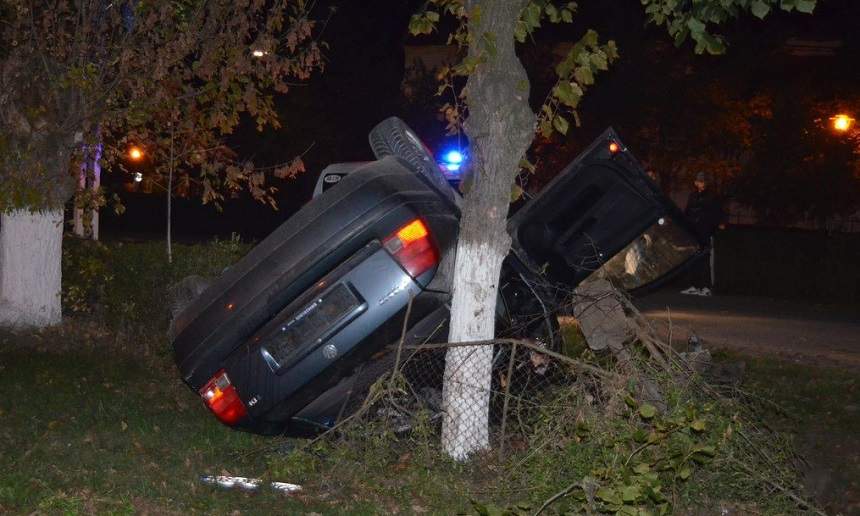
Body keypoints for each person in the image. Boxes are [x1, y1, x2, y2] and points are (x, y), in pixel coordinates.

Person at [682, 171, 725, 296]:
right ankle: (693, 286)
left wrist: (720, 223)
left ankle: (706, 287)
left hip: (705, 230)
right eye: (700, 181)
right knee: (693, 257)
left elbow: (718, 210)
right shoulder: (693, 196)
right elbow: (688, 211)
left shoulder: (711, 196)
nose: (702, 183)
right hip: (694, 230)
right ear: (696, 183)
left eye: (704, 181)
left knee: (705, 258)